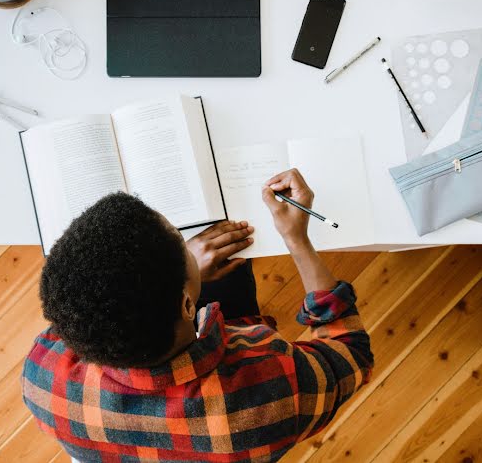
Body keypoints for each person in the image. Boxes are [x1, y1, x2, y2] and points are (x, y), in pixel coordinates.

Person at [22, 169, 374, 462]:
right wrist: (297, 240)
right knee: (232, 267)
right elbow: (351, 350)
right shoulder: (266, 398)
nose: (191, 244)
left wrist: (182, 274)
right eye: (181, 239)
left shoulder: (41, 380)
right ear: (190, 305)